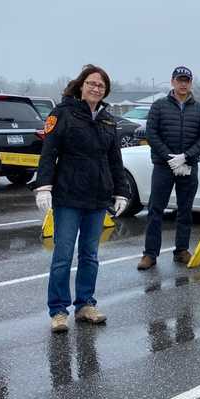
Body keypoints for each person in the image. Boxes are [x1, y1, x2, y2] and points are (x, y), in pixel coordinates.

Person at [34, 64, 130, 332]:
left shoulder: (108, 120)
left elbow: (114, 158)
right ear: (80, 85)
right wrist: (44, 186)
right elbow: (48, 152)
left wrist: (120, 190)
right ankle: (58, 310)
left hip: (97, 198)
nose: (96, 88)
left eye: (101, 86)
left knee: (90, 254)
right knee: (63, 255)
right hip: (68, 196)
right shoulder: (62, 113)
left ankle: (85, 304)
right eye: (92, 83)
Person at [137, 66, 200, 270]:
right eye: (180, 80)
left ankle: (181, 250)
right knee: (155, 209)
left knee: (185, 210)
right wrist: (170, 157)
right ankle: (150, 254)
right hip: (163, 167)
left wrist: (186, 156)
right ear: (172, 82)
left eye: (186, 80)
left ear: (191, 83)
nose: (183, 83)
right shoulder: (159, 106)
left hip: (188, 166)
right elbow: (152, 134)